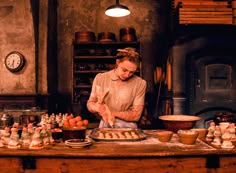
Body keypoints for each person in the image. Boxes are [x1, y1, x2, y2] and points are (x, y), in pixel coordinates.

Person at [87, 47, 147, 128]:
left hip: (129, 127)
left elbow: (136, 115)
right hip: (106, 125)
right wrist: (96, 107)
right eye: (124, 70)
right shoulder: (100, 78)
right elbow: (90, 103)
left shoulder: (140, 83)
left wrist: (113, 114)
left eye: (131, 72)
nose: (127, 75)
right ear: (117, 62)